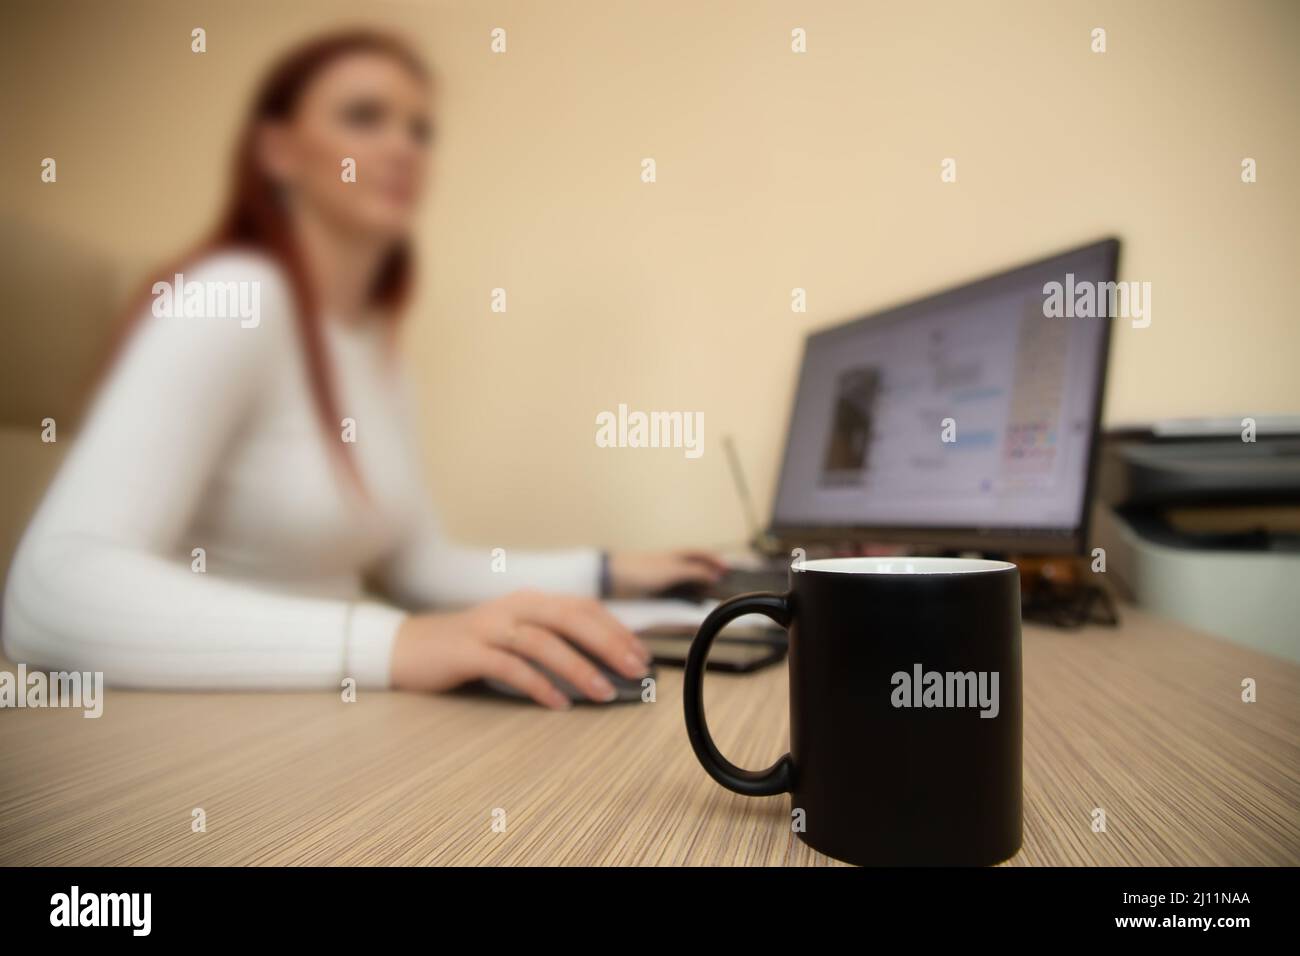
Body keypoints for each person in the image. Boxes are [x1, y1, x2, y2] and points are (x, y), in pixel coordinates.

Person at [1, 30, 725, 710]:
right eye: (364, 117)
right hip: (207, 725)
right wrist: (397, 643)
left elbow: (417, 565)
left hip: (332, 715)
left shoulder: (373, 353)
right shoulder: (234, 297)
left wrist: (608, 573)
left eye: (419, 129)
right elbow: (47, 594)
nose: (402, 148)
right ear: (279, 151)